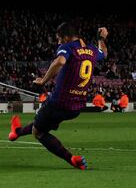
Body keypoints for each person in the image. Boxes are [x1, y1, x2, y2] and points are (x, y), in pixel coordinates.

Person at [8, 22, 108, 170]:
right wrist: (101, 39)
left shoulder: (67, 48)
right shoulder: (91, 50)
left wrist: (43, 80)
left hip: (58, 102)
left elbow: (60, 61)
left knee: (39, 133)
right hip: (76, 107)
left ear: (66, 38)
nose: (58, 42)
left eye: (59, 39)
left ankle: (72, 159)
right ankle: (16, 132)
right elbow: (104, 53)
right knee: (41, 124)